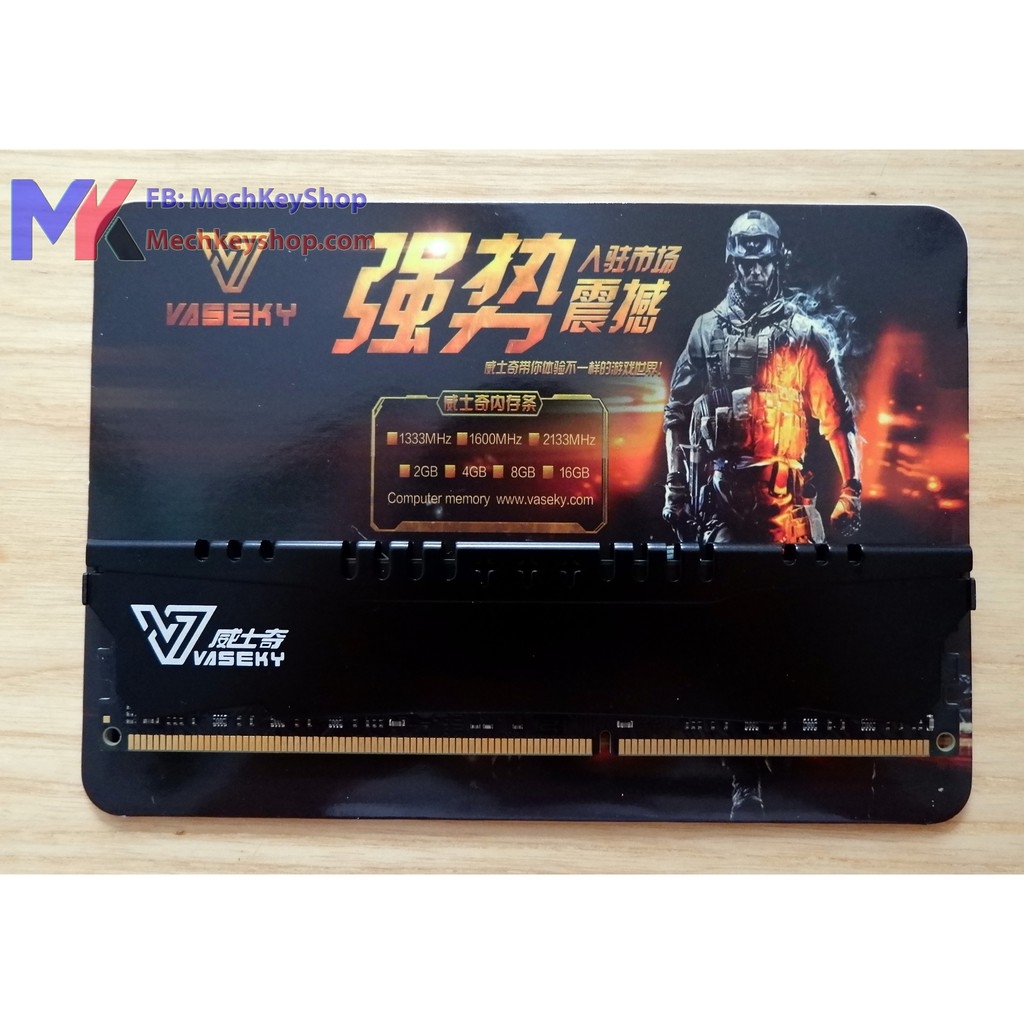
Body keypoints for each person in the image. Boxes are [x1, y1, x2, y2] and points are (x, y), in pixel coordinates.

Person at [662, 210, 861, 545]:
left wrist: (851, 490)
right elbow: (676, 413)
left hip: (784, 506)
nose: (755, 271)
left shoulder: (802, 332)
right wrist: (675, 486)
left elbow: (837, 418)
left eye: (764, 262)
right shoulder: (706, 329)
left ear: (777, 261)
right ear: (733, 263)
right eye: (746, 263)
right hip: (721, 505)